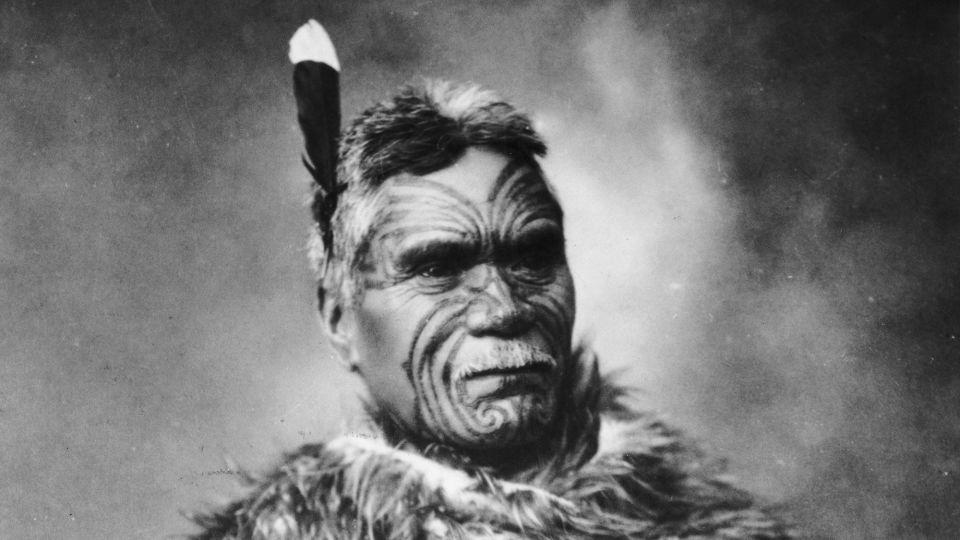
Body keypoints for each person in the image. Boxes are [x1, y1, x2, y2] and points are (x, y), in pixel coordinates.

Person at [190, 23, 791, 540]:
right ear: (339, 320)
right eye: (437, 268)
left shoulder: (706, 523)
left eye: (532, 256)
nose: (502, 308)